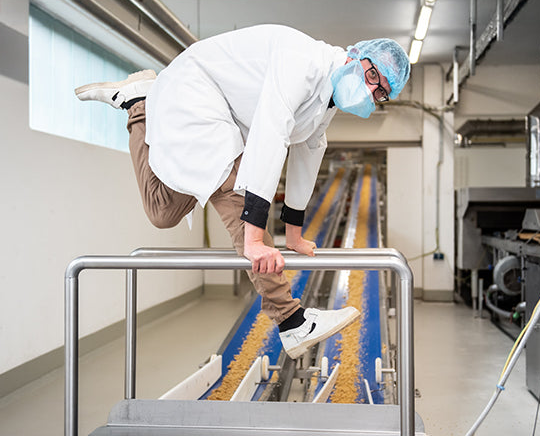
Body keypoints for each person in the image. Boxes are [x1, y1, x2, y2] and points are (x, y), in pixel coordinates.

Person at [75, 24, 410, 359]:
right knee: (234, 188)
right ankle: (292, 321)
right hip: (195, 93)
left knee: (162, 211)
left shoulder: (328, 100)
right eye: (371, 76)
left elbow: (309, 152)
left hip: (221, 115)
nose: (370, 91)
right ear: (355, 55)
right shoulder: (304, 62)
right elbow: (271, 132)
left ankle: (138, 102)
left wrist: (293, 236)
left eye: (381, 92)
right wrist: (253, 241)